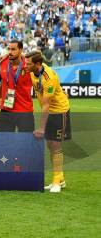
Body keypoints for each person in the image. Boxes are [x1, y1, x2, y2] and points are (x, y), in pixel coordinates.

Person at [26, 51, 71, 193]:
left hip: (59, 111)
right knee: (50, 145)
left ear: (37, 64)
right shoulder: (33, 71)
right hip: (50, 111)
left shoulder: (48, 77)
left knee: (55, 145)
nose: (26, 66)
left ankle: (56, 181)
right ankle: (60, 179)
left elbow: (46, 105)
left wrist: (41, 129)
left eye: (29, 64)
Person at [0, 40, 34, 132]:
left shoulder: (29, 64)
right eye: (8, 49)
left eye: (13, 49)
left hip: (24, 111)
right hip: (6, 110)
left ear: (21, 50)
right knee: (4, 143)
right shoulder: (3, 62)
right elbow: (4, 80)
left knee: (25, 143)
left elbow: (43, 74)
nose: (10, 52)